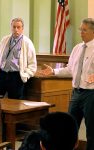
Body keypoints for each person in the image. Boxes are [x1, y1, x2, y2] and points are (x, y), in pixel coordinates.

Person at [40, 18, 94, 150]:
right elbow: (70, 69)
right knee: (69, 127)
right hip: (76, 93)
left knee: (92, 130)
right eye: (80, 29)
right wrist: (53, 71)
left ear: (93, 31)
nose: (81, 32)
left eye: (84, 30)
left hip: (91, 94)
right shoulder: (77, 48)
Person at [0, 17, 37, 99]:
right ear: (11, 28)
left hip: (16, 77)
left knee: (15, 104)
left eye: (18, 27)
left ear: (22, 29)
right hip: (2, 74)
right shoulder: (4, 40)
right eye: (14, 27)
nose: (16, 29)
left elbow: (32, 64)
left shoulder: (27, 43)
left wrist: (26, 75)